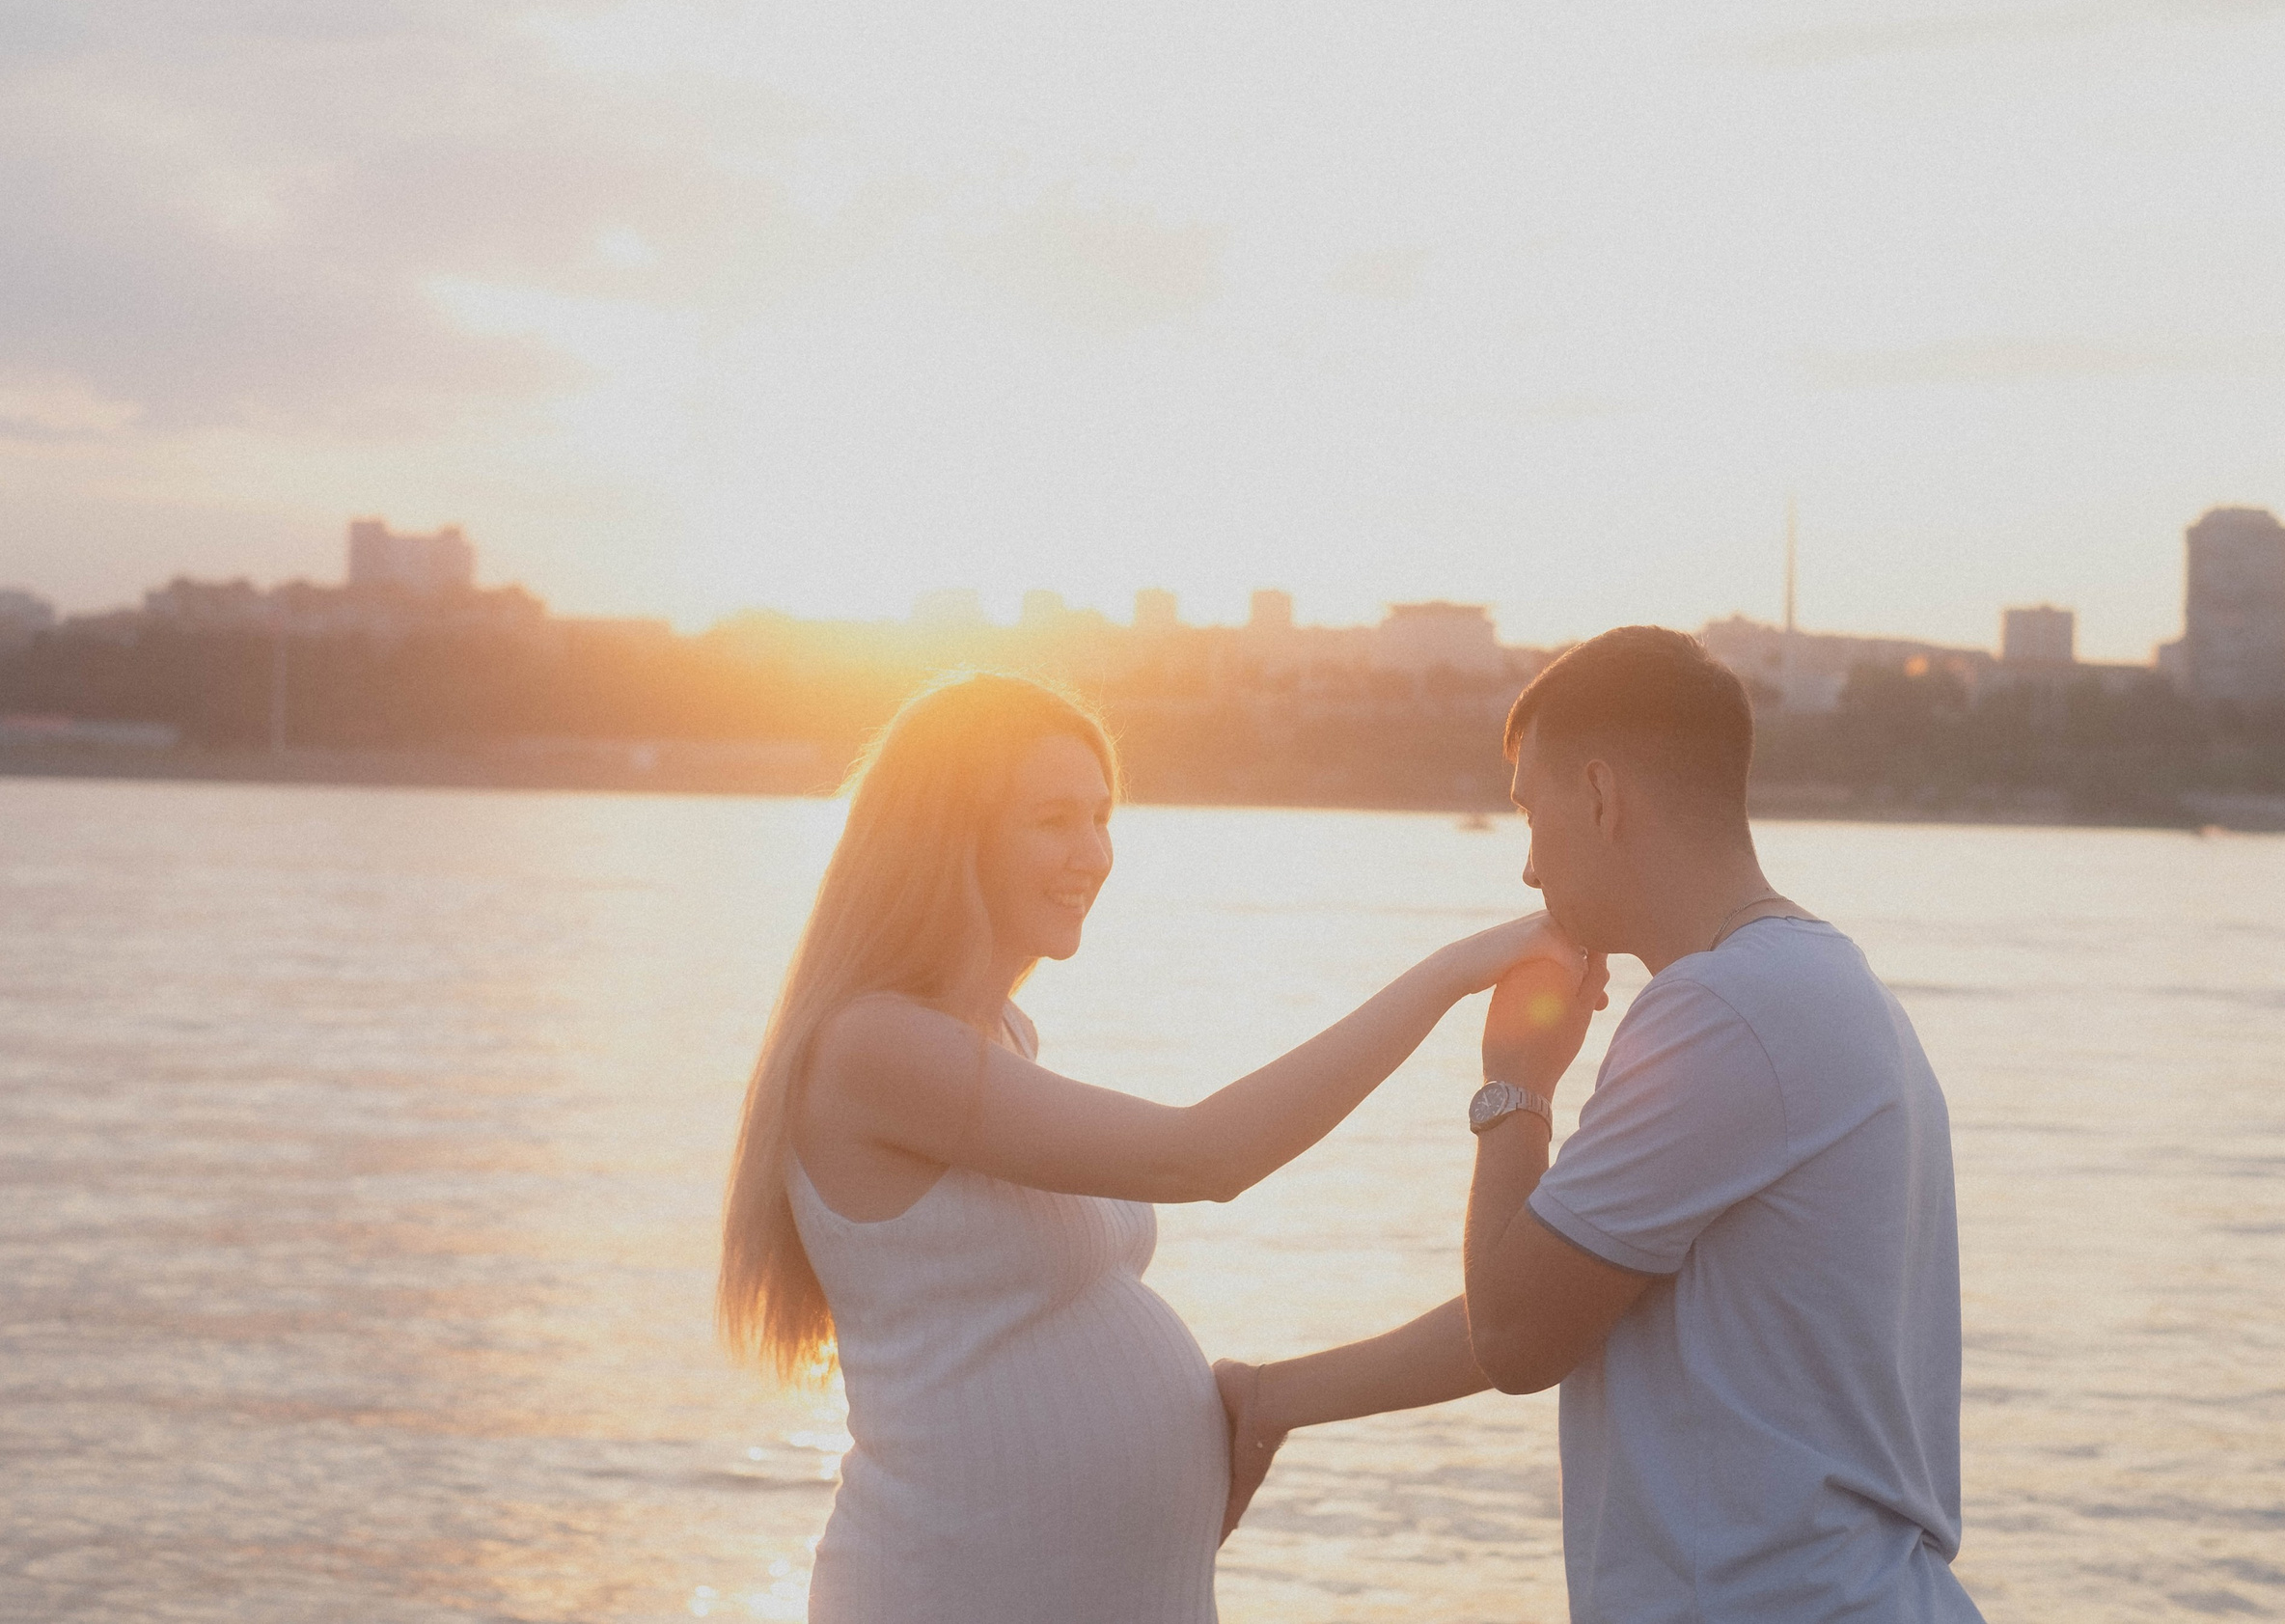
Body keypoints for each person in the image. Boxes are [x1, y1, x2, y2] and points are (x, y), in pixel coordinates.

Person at [715, 671, 1582, 1624]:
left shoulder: (995, 1037)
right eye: (1051, 818)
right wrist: (1455, 970)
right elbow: (1199, 1156)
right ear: (945, 834)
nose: (1092, 851)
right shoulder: (876, 1046)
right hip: (957, 1586)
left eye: (1101, 814)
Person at [1217, 626, 1984, 1623]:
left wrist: (1513, 1083)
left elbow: (1515, 1333)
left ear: (1600, 794)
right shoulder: (1816, 986)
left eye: (1531, 813)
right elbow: (1560, 1289)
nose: (1529, 870)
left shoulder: (1722, 1009)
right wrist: (1276, 1398)